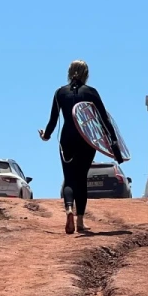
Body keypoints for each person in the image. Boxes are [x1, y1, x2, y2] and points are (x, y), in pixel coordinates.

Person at [40, 60, 124, 234]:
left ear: (69, 72)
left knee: (69, 178)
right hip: (87, 139)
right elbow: (104, 119)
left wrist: (46, 136)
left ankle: (69, 209)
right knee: (81, 178)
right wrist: (113, 142)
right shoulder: (91, 92)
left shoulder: (60, 93)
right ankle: (80, 222)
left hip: (66, 139)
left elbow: (53, 120)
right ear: (86, 74)